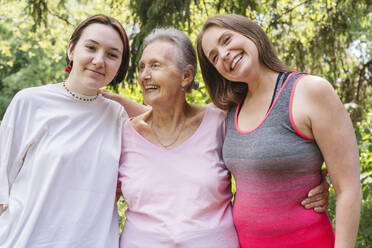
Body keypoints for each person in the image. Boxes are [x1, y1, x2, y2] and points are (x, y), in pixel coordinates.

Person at [113, 27, 330, 248]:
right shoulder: (123, 135)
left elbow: (267, 157)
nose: (144, 76)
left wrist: (311, 182)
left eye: (155, 65)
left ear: (186, 76)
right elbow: (98, 194)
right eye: (141, 67)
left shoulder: (219, 122)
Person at [196, 14, 361, 247]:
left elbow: (349, 190)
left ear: (250, 33)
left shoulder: (310, 91)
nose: (223, 55)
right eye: (214, 57)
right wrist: (123, 104)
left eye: (226, 40)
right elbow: (172, 115)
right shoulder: (229, 110)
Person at [0, 14, 144, 247]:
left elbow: (168, 124)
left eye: (112, 55)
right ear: (71, 49)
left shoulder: (119, 117)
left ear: (119, 67)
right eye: (91, 47)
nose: (99, 60)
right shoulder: (30, 102)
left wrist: (116, 99)